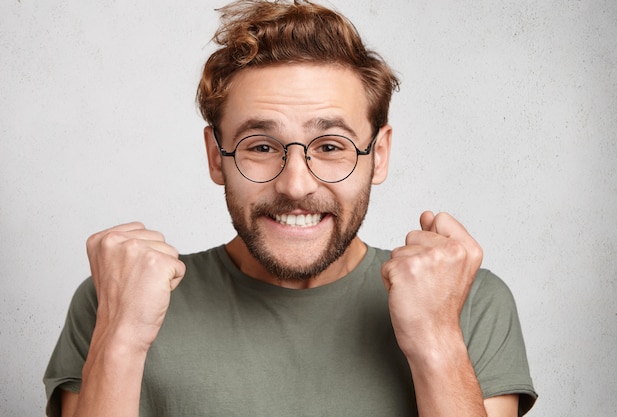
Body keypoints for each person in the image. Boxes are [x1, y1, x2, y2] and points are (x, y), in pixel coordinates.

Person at [43, 1, 537, 416]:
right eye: (260, 146)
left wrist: (435, 338)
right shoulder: (116, 295)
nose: (296, 185)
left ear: (378, 155)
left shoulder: (468, 300)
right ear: (217, 157)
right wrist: (122, 336)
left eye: (330, 146)